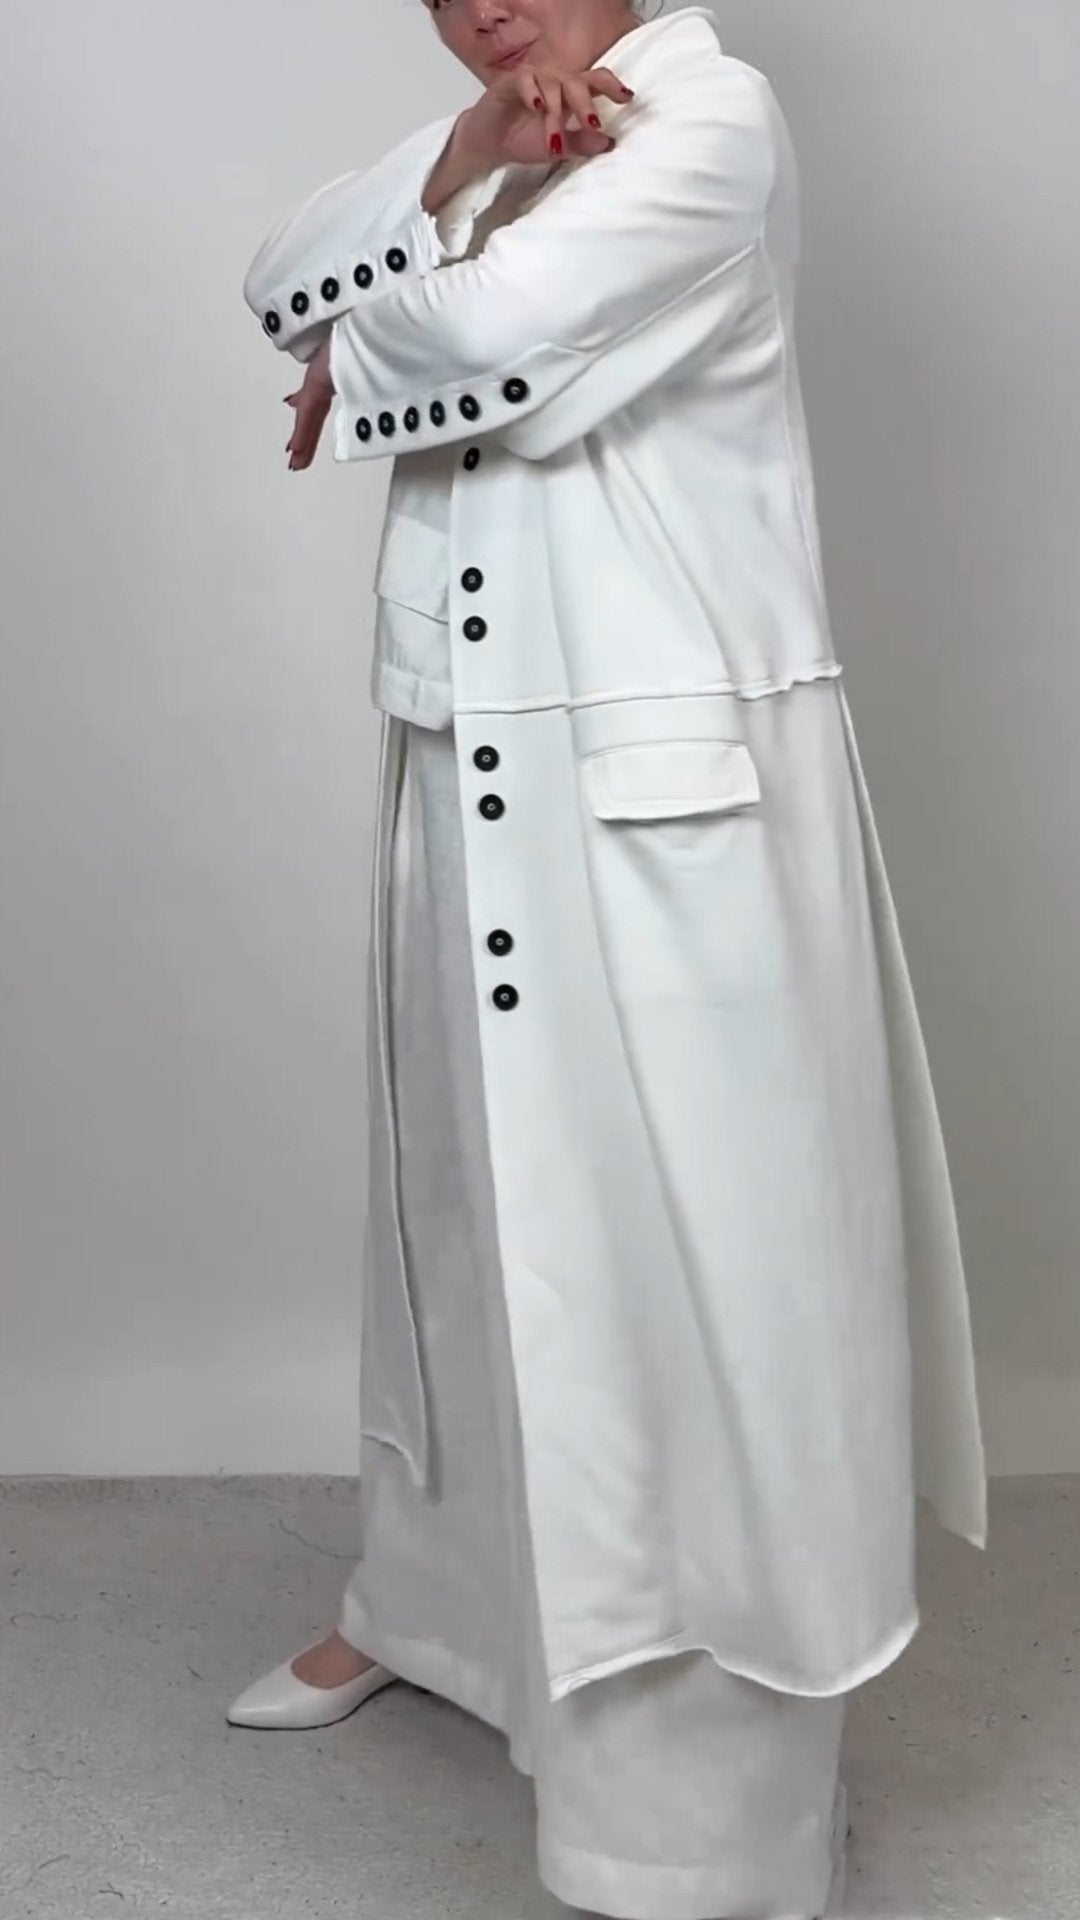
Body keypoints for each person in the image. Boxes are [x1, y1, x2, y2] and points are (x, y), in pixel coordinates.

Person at [233, 3, 989, 1915]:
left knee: (683, 1279)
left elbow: (497, 344)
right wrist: (461, 163)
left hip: (663, 799)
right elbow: (274, 275)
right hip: (470, 759)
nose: (483, 0)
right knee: (470, 1226)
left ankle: (704, 1817)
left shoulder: (714, 124)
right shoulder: (508, 137)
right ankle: (441, 1610)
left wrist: (357, 333)